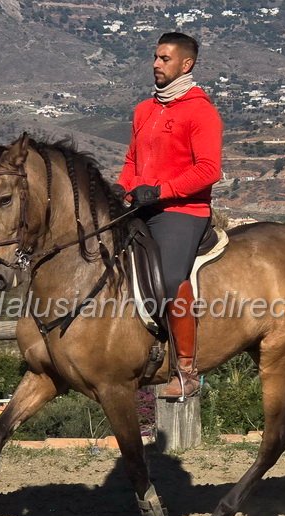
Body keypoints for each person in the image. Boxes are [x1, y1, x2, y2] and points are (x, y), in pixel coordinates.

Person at [116, 31, 223, 399]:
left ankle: (187, 371)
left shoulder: (201, 111)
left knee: (170, 278)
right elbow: (131, 161)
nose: (156, 64)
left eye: (164, 59)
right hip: (141, 204)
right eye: (156, 57)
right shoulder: (144, 110)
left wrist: (161, 191)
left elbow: (209, 169)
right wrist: (122, 187)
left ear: (186, 64)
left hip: (182, 211)